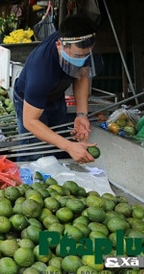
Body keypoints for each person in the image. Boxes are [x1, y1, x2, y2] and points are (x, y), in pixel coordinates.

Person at [12, 14, 98, 164]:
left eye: (85, 56)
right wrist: (69, 146)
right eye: (76, 56)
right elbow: (30, 121)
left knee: (57, 148)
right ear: (60, 45)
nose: (81, 60)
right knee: (35, 152)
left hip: (56, 96)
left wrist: (82, 114)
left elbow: (82, 75)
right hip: (29, 102)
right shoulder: (41, 69)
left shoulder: (82, 47)